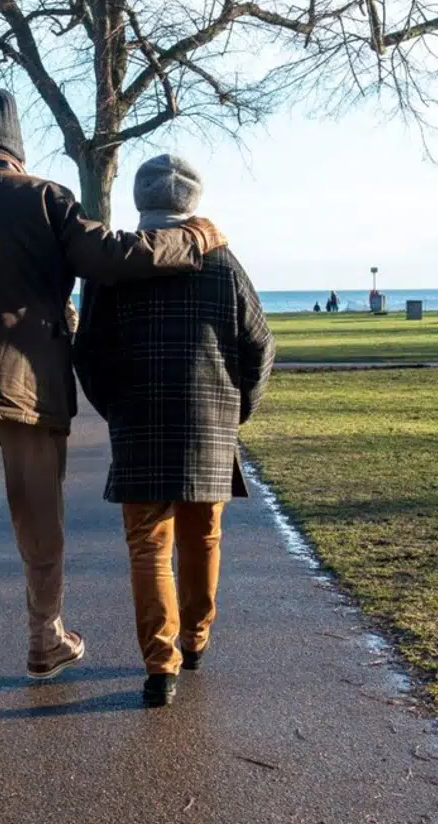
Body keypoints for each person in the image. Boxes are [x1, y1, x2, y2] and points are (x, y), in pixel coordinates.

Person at [0, 89, 226, 720]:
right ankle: (44, 640)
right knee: (40, 527)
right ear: (16, 144)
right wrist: (192, 241)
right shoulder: (46, 198)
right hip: (30, 392)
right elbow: (113, 258)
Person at [74, 154, 274, 708]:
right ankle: (196, 639)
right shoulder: (223, 262)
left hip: (138, 418)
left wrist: (113, 407)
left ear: (140, 200)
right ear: (193, 202)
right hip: (210, 420)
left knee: (148, 546)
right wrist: (238, 409)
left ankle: (160, 667)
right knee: (202, 537)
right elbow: (260, 344)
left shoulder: (114, 265)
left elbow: (88, 352)